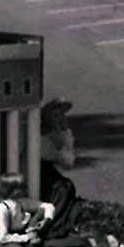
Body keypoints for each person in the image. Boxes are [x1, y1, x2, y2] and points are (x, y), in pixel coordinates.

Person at [0, 173, 91, 247]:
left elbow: (48, 206)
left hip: (22, 234)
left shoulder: (21, 203)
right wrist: (26, 238)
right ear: (11, 190)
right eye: (20, 188)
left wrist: (46, 220)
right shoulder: (0, 210)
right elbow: (3, 237)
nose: (24, 190)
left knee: (41, 211)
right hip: (8, 240)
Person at [39, 98, 81, 239]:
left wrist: (62, 145)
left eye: (61, 115)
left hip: (50, 169)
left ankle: (60, 224)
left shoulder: (64, 135)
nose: (59, 119)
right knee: (62, 188)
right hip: (37, 169)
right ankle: (50, 225)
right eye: (55, 115)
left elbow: (69, 163)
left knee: (66, 186)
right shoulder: (38, 134)